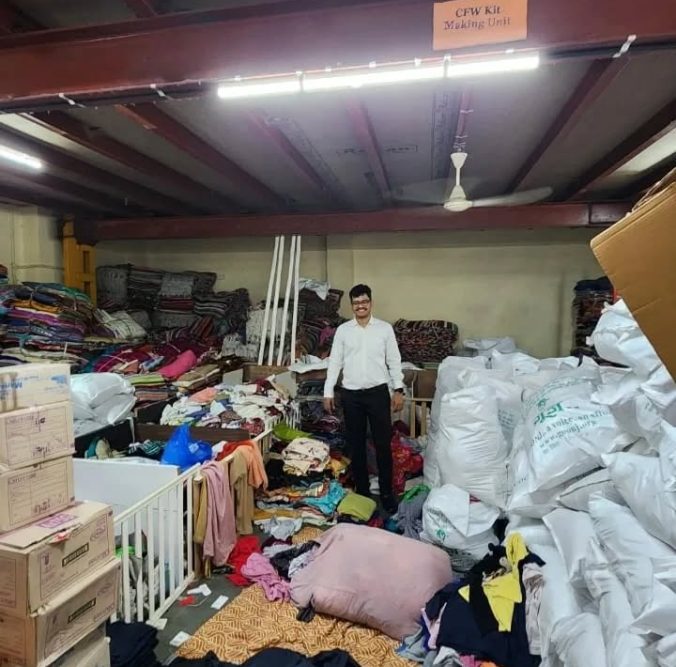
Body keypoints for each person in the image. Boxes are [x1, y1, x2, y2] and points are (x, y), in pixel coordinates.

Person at [323, 284, 404, 513]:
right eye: (356, 303)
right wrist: (328, 391)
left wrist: (398, 389)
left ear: (371, 303)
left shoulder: (384, 329)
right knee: (356, 446)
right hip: (351, 396)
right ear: (352, 305)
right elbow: (335, 362)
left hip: (378, 393)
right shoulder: (343, 331)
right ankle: (363, 493)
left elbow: (394, 360)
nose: (361, 306)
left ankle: (387, 494)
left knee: (382, 445)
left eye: (364, 302)